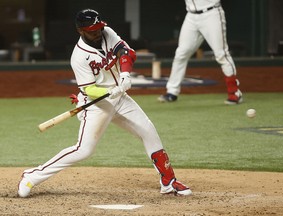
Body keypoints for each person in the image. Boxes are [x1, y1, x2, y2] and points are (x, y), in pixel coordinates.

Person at [18, 9, 192, 197]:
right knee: (84, 150)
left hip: (120, 99)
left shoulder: (106, 33)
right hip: (96, 104)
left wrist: (125, 74)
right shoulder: (78, 57)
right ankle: (32, 176)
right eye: (92, 30)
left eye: (99, 28)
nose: (98, 33)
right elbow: (89, 90)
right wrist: (110, 90)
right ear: (80, 31)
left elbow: (126, 52)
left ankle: (169, 182)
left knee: (148, 131)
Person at [158, 0, 243, 105]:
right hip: (191, 16)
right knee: (181, 54)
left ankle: (234, 93)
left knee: (221, 55)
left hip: (211, 13)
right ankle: (172, 92)